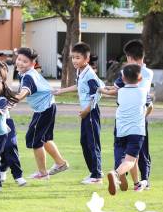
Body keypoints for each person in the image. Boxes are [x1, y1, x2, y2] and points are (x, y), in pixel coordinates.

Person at [99, 39, 153, 191]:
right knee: (140, 152)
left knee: (125, 151)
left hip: (123, 121)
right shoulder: (148, 73)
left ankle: (124, 176)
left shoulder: (124, 74)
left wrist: (101, 89)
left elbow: (114, 90)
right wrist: (145, 114)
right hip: (140, 119)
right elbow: (150, 104)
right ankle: (143, 180)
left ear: (129, 57)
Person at [53, 42, 104, 184]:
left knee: (92, 144)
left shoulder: (90, 74)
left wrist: (86, 110)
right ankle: (93, 172)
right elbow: (78, 85)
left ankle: (97, 175)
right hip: (85, 113)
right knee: (84, 142)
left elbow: (97, 94)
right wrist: (61, 91)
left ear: (86, 60)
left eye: (78, 58)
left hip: (91, 113)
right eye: (73, 57)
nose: (74, 60)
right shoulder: (80, 71)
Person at [14, 47, 68, 180]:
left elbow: (23, 93)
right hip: (47, 107)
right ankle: (61, 163)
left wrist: (10, 101)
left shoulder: (28, 77)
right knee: (44, 139)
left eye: (25, 61)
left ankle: (43, 173)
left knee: (34, 140)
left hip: (44, 110)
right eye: (19, 59)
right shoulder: (26, 73)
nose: (20, 63)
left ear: (32, 64)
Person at [104, 64, 147, 196]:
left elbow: (111, 91)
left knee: (128, 156)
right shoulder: (143, 92)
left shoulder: (120, 92)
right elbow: (149, 106)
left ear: (122, 78)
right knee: (130, 160)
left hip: (121, 130)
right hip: (136, 131)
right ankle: (116, 173)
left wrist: (102, 89)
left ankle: (136, 182)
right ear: (140, 79)